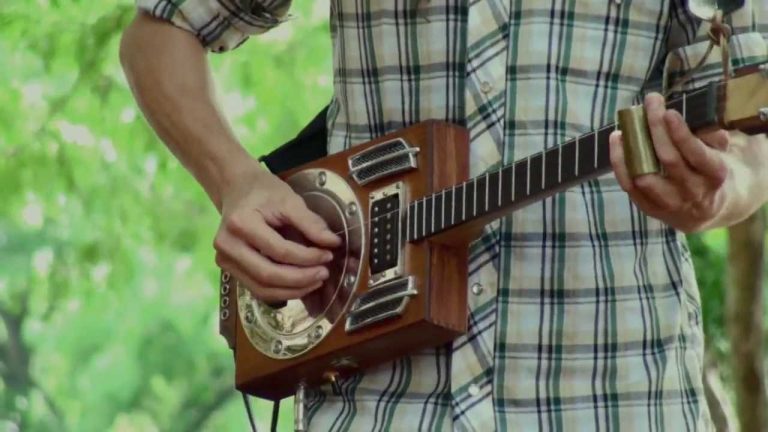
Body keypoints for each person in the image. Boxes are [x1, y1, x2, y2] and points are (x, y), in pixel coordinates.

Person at [119, 1, 768, 430]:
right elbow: (158, 36)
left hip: (617, 393)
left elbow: (752, 121)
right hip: (375, 405)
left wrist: (724, 188)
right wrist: (236, 182)